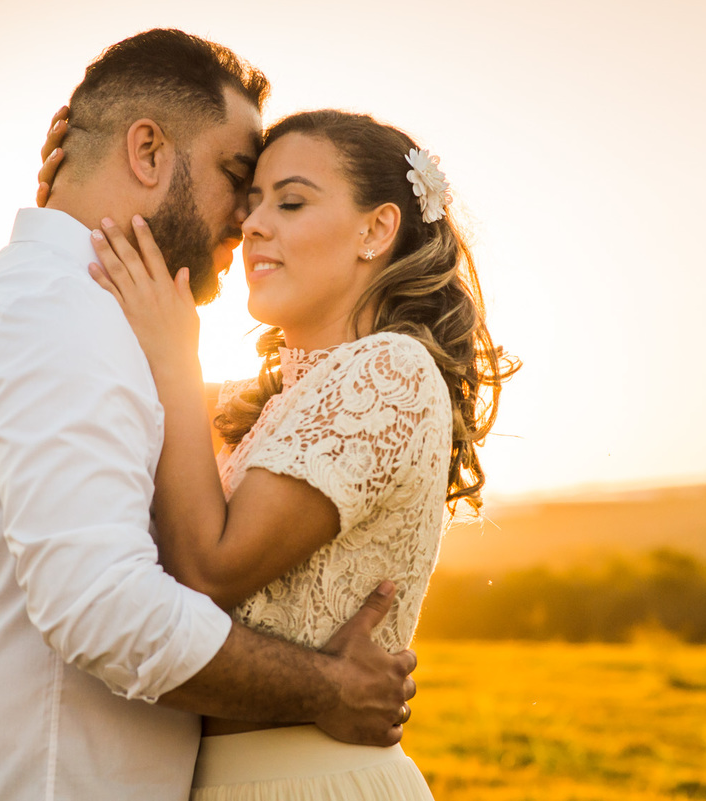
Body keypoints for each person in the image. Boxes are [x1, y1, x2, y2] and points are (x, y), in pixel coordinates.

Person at [0, 30, 418, 801]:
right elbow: (104, 607)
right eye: (237, 175)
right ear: (147, 153)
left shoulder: (89, 305)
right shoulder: (57, 310)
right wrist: (324, 688)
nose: (246, 216)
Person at [78, 109, 518, 798]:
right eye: (251, 205)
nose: (252, 225)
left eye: (290, 201)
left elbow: (207, 571)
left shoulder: (389, 371)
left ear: (376, 230)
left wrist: (174, 358)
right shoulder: (284, 399)